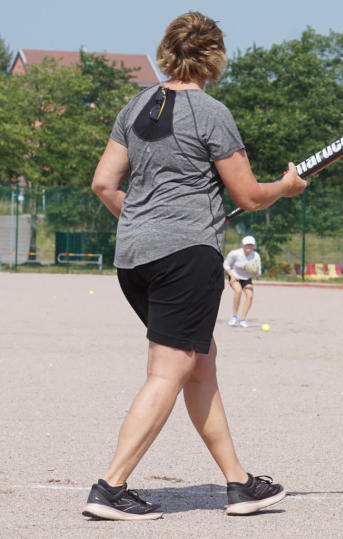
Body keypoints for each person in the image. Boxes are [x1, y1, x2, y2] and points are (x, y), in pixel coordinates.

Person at [86, 12, 306, 520]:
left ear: (167, 51)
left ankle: (238, 484)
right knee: (169, 371)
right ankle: (111, 487)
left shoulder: (135, 105)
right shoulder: (210, 112)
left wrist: (145, 221)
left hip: (133, 259)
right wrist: (287, 187)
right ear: (214, 58)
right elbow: (249, 195)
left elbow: (103, 184)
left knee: (198, 363)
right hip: (186, 258)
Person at [224, 236, 262, 328]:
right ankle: (234, 317)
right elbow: (226, 265)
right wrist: (232, 276)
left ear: (253, 246)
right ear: (243, 245)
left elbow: (258, 273)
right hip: (235, 276)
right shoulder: (235, 253)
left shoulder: (256, 255)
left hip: (246, 278)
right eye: (247, 244)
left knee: (250, 295)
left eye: (251, 245)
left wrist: (254, 272)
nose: (249, 246)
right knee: (238, 291)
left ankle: (242, 319)